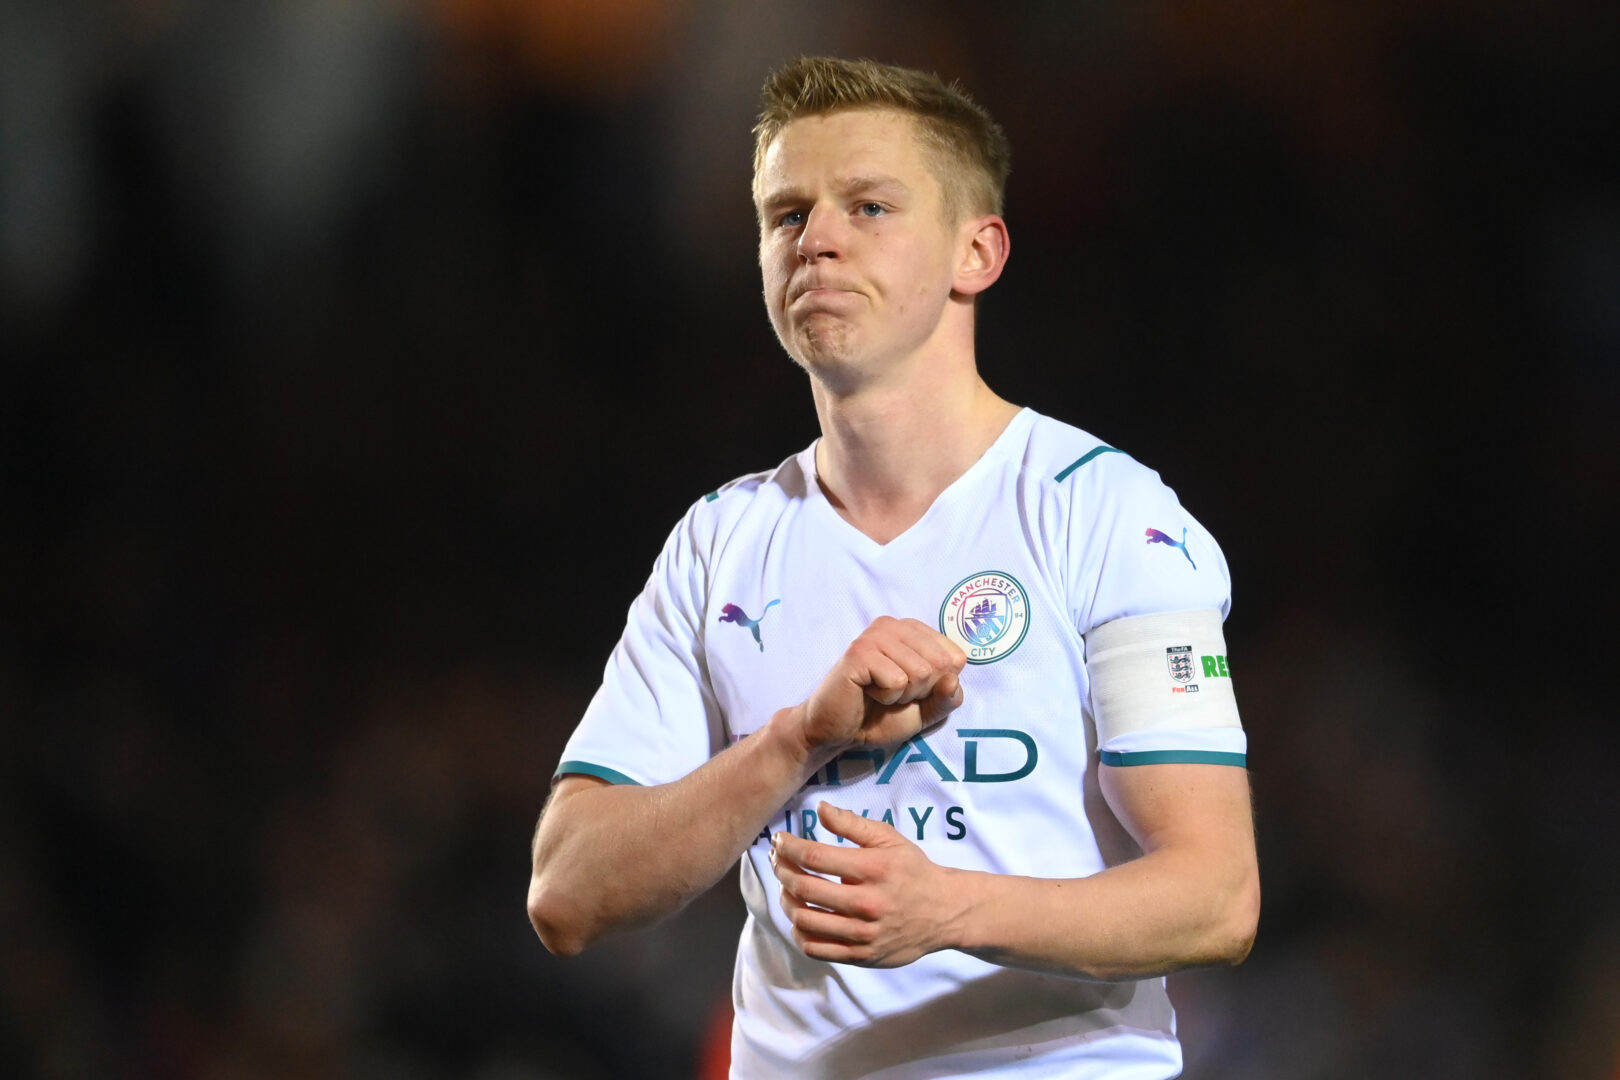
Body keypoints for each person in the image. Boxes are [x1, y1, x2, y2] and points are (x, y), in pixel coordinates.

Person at [528, 56, 1259, 1079]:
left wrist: (946, 909)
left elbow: (1217, 897)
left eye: (868, 207)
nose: (816, 239)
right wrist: (797, 742)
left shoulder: (1106, 515)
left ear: (976, 252)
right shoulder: (719, 542)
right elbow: (566, 892)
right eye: (786, 215)